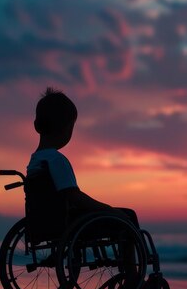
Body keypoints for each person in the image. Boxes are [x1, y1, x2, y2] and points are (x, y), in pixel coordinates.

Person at [26, 87, 140, 231]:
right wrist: (108, 209)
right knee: (127, 216)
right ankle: (131, 254)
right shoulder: (55, 160)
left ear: (37, 126)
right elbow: (75, 197)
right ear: (67, 129)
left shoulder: (35, 161)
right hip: (68, 222)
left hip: (46, 220)